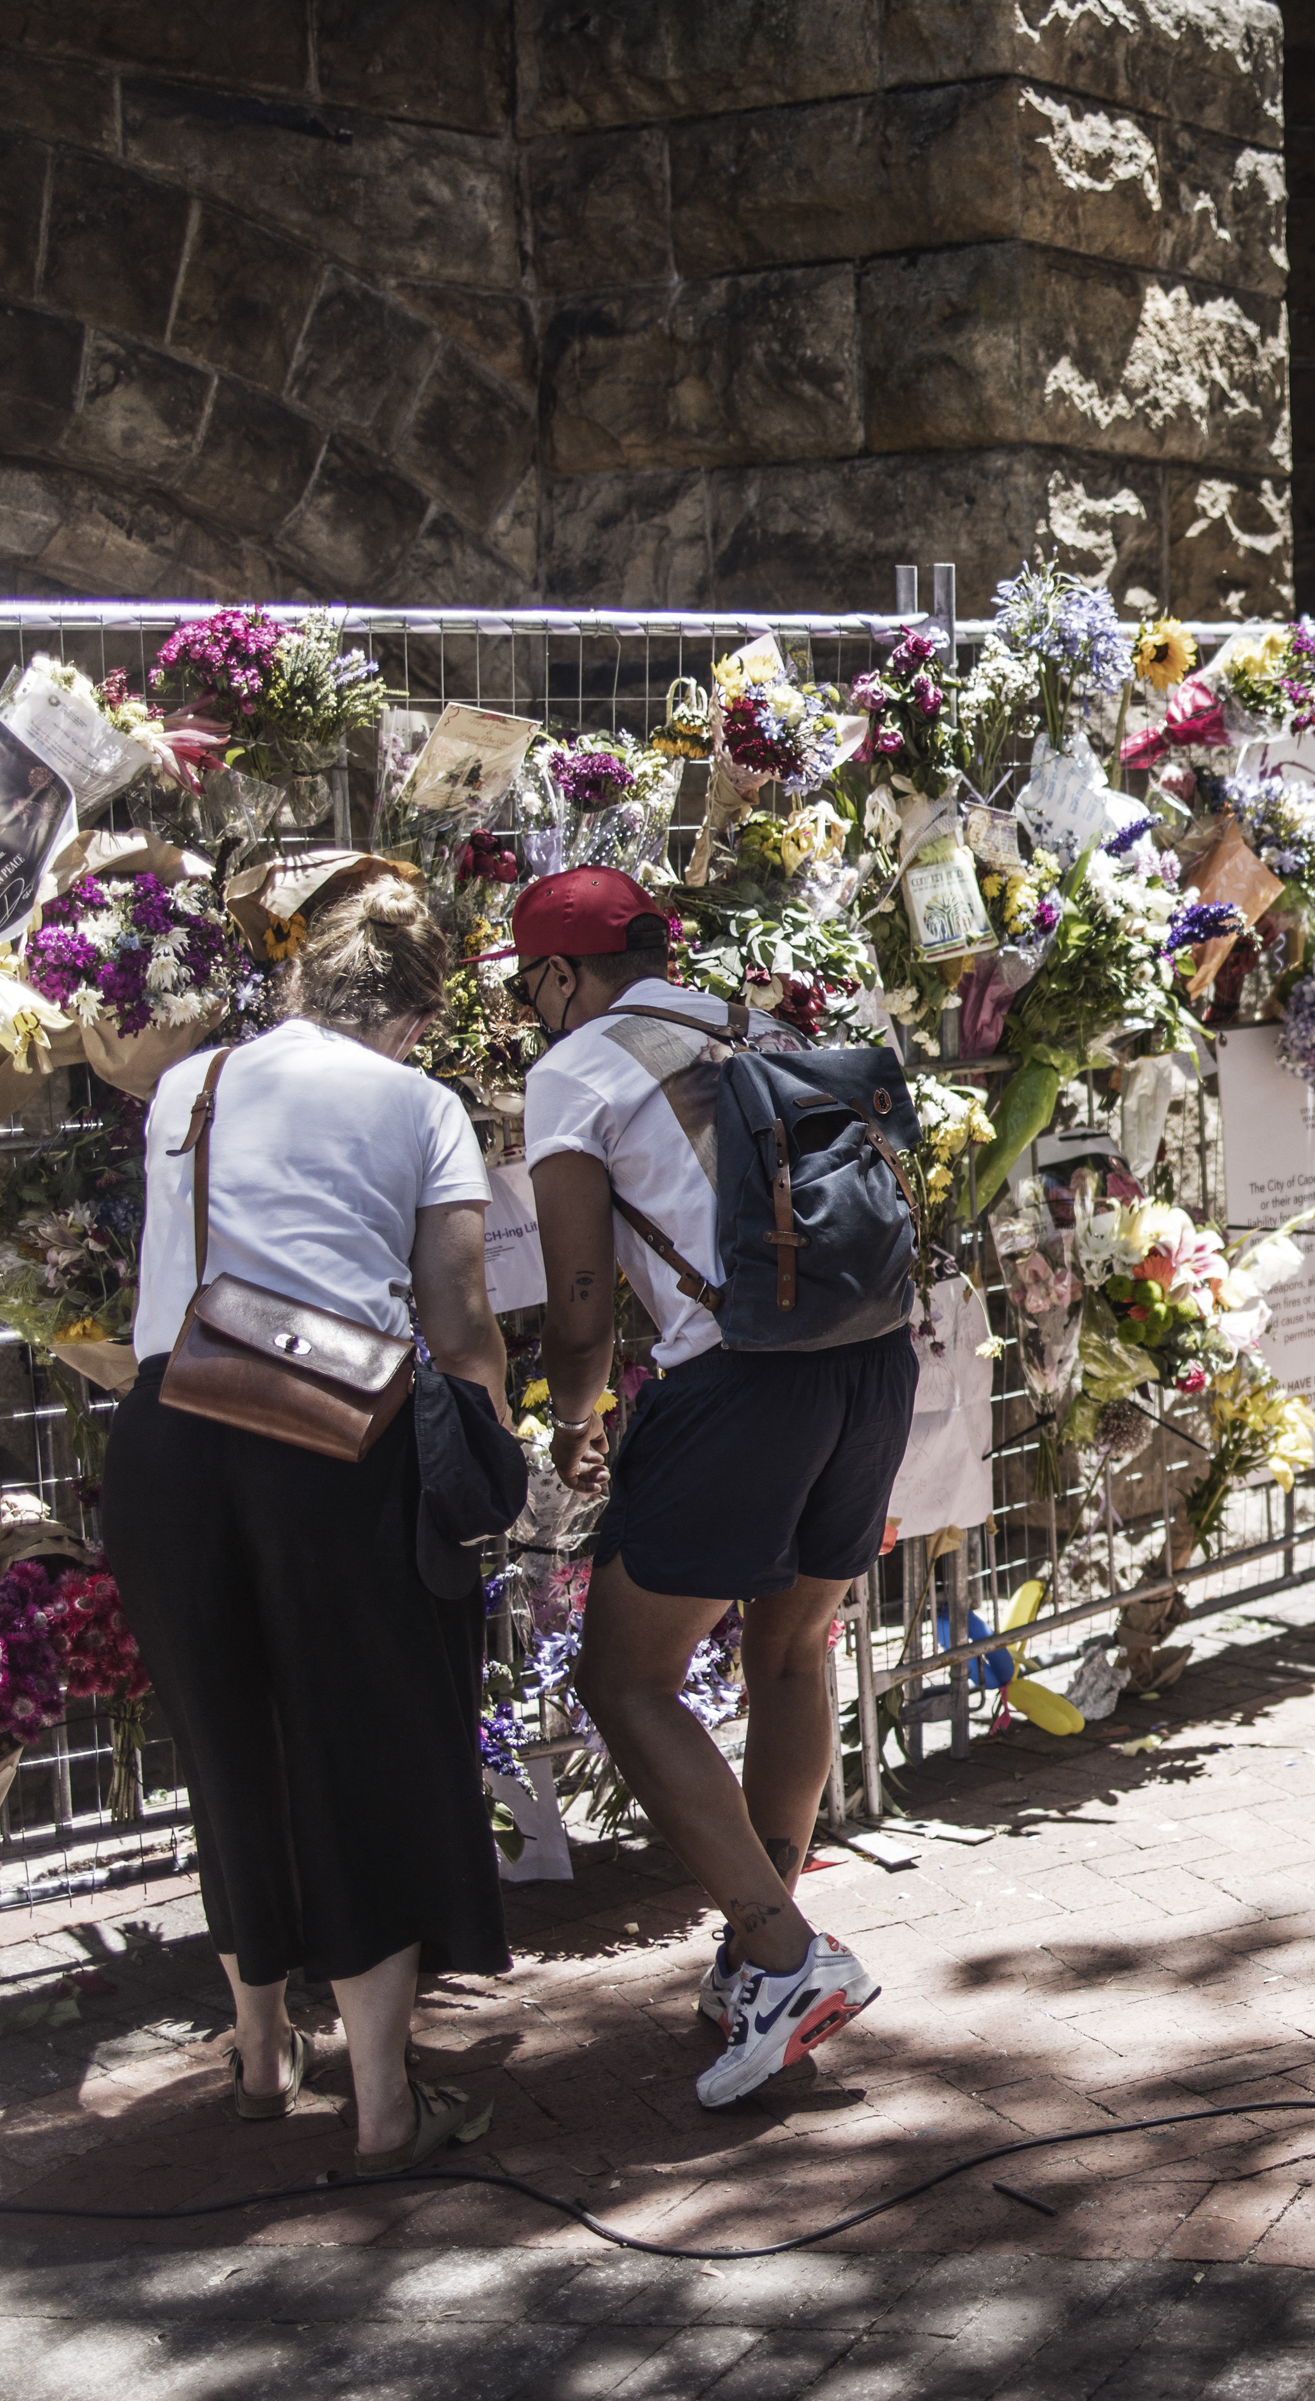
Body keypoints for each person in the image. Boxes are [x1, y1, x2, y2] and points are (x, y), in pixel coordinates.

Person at [106, 870, 510, 2176]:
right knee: (359, 1748)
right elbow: (456, 1320)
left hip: (170, 1425)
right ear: (406, 1013)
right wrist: (489, 1450)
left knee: (228, 1741)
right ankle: (386, 2100)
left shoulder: (193, 1083)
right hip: (331, 1442)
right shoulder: (422, 1102)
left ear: (300, 982)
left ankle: (264, 2052)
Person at [513, 867, 910, 2107]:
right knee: (790, 1654)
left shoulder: (573, 1069)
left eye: (533, 982)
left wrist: (570, 1424)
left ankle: (786, 1955)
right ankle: (758, 1951)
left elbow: (580, 1307)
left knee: (623, 1675)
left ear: (562, 974)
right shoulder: (754, 1022)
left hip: (737, 1385)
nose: (532, 1006)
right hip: (870, 1361)